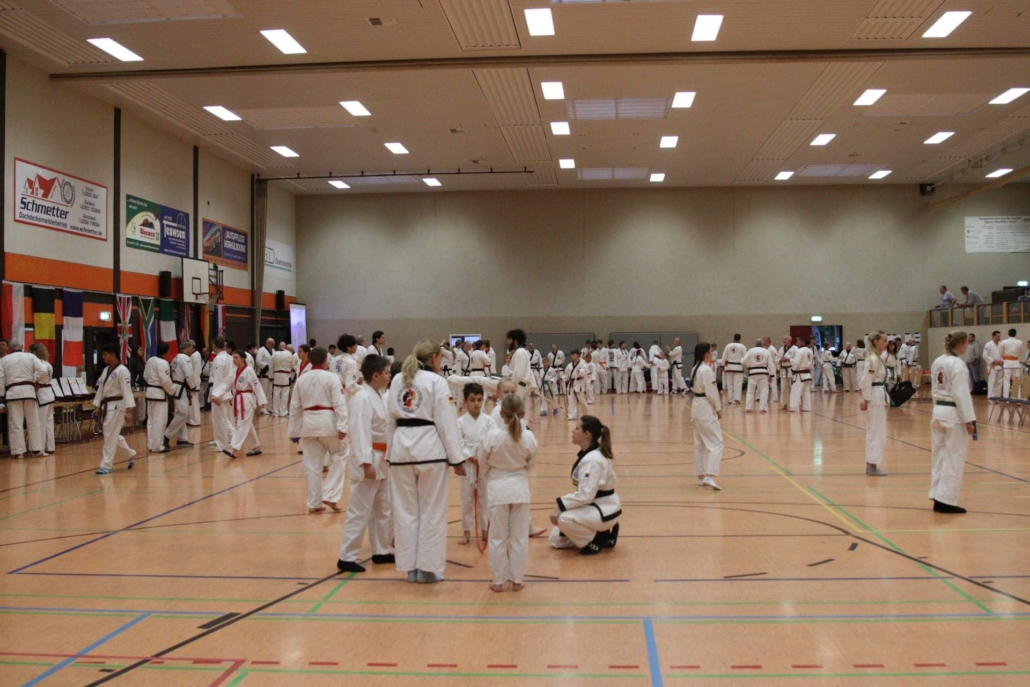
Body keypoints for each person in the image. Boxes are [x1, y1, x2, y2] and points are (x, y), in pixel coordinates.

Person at [387, 340, 467, 583]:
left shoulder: (397, 380)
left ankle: (410, 568)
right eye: (440, 357)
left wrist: (390, 454)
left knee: (405, 512)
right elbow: (447, 423)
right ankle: (428, 569)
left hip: (401, 451)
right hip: (430, 452)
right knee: (432, 511)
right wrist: (457, 459)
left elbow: (390, 420)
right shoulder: (436, 382)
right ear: (433, 357)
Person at [337, 354, 396, 572]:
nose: (389, 376)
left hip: (382, 459)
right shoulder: (362, 398)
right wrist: (366, 462)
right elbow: (359, 432)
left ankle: (380, 550)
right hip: (369, 460)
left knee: (382, 509)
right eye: (387, 373)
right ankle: (346, 556)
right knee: (360, 510)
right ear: (376, 375)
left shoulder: (378, 396)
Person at [475, 393, 537, 591]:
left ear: (501, 414)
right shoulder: (528, 437)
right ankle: (517, 580)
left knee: (498, 538)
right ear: (523, 414)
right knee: (519, 537)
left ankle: (498, 581)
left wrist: (491, 475)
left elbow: (482, 463)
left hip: (498, 489)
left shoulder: (492, 437)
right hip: (519, 488)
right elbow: (530, 464)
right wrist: (518, 472)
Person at [549, 415, 620, 555]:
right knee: (556, 539)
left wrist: (560, 506)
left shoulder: (592, 460)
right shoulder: (589, 454)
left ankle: (599, 538)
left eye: (576, 429)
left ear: (586, 434)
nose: (572, 431)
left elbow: (586, 495)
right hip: (593, 505)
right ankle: (598, 533)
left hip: (603, 509)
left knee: (563, 519)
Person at [289, 347, 348, 514]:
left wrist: (294, 431)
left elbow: (294, 407)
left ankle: (314, 503)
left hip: (309, 424)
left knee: (312, 466)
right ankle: (331, 494)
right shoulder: (332, 377)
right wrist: (343, 425)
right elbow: (339, 403)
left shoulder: (302, 379)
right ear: (325, 361)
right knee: (341, 454)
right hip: (328, 422)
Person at [929, 331, 976, 513]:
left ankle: (937, 494)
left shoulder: (937, 361)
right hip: (954, 413)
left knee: (939, 456)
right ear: (962, 344)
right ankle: (946, 500)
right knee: (954, 457)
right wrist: (969, 420)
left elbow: (935, 389)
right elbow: (961, 394)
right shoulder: (957, 364)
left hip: (939, 410)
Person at [456, 382, 495, 546]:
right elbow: (459, 443)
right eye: (472, 400)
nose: (476, 403)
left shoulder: (489, 421)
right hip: (468, 464)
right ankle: (466, 531)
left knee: (484, 498)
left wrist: (483, 457)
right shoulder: (460, 422)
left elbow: (493, 440)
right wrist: (470, 456)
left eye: (479, 399)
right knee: (467, 499)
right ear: (465, 401)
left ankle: (485, 529)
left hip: (484, 464)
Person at [92, 343, 137, 474]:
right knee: (111, 434)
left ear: (113, 355)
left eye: (105, 354)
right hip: (107, 405)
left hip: (118, 405)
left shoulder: (123, 370)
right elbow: (101, 389)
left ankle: (106, 465)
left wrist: (128, 410)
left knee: (110, 434)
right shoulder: (106, 370)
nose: (103, 357)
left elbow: (127, 390)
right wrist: (97, 406)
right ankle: (130, 454)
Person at [689, 343, 724, 489]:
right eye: (710, 351)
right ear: (705, 354)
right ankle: (709, 476)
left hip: (696, 406)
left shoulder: (695, 369)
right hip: (705, 406)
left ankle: (701, 475)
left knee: (700, 444)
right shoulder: (706, 370)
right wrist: (718, 408)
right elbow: (711, 392)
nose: (712, 354)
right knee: (716, 443)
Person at [223, 349, 267, 458]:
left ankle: (233, 448)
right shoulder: (234, 371)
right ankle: (255, 447)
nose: (234, 360)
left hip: (247, 399)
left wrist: (261, 400)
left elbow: (256, 385)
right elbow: (227, 384)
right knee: (248, 424)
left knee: (241, 424)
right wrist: (217, 394)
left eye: (236, 357)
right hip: (238, 398)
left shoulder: (249, 370)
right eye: (233, 357)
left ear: (243, 359)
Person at [860, 332, 890, 477]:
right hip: (875, 397)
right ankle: (872, 466)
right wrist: (866, 399)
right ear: (876, 342)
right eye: (884, 340)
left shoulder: (878, 358)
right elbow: (866, 381)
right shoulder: (872, 360)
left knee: (878, 432)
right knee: (876, 432)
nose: (887, 343)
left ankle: (872, 464)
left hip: (879, 395)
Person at [143, 342, 176, 454]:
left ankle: (151, 444)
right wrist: (173, 390)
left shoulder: (150, 360)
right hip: (159, 394)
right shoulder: (163, 363)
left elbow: (145, 376)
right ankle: (157, 446)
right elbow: (165, 380)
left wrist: (152, 383)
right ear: (166, 352)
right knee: (160, 420)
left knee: (151, 420)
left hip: (150, 392)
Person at [164, 340, 195, 451]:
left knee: (180, 413)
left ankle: (182, 438)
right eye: (192, 347)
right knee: (183, 413)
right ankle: (166, 435)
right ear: (188, 347)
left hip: (176, 387)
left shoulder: (175, 358)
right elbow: (189, 374)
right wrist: (193, 386)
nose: (192, 350)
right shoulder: (185, 358)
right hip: (181, 388)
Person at [208, 338, 234, 453]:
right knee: (225, 419)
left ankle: (222, 445)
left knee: (219, 419)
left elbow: (218, 378)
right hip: (227, 391)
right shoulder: (229, 357)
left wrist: (216, 395)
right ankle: (232, 439)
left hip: (219, 393)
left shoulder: (219, 359)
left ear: (214, 345)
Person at [30, 344, 56, 455]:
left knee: (41, 422)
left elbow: (42, 373)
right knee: (49, 422)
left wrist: (36, 381)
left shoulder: (39, 364)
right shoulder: (48, 363)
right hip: (49, 393)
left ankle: (40, 448)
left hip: (42, 393)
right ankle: (50, 446)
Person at [742, 340, 770, 413]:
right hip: (763, 372)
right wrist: (772, 375)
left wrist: (742, 360)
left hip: (753, 372)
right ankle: (763, 408)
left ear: (755, 344)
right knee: (764, 390)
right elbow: (770, 364)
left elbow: (743, 362)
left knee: (750, 391)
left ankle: (748, 407)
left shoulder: (751, 350)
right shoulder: (766, 351)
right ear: (762, 344)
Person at [790, 336, 814, 413]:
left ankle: (794, 407)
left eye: (798, 341)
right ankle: (807, 407)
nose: (796, 343)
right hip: (807, 374)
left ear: (802, 342)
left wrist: (793, 369)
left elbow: (796, 363)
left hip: (800, 374)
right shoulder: (809, 351)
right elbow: (811, 362)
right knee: (806, 392)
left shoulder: (799, 351)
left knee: (796, 391)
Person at [998, 328, 1025, 398]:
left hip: (1007, 363)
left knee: (1006, 382)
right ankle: (1018, 398)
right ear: (1015, 334)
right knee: (1016, 381)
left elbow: (1000, 353)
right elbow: (1020, 353)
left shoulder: (1003, 342)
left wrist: (1003, 359)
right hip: (1016, 363)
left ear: (1008, 333)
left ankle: (1006, 398)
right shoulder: (1019, 342)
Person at [722, 335, 747, 405]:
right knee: (738, 383)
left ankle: (730, 399)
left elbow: (724, 356)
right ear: (740, 339)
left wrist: (722, 365)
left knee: (729, 383)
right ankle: (737, 399)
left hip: (729, 367)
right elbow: (745, 356)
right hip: (738, 367)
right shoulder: (742, 346)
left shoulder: (728, 345)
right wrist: (746, 365)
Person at [269, 345, 293, 417]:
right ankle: (283, 412)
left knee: (276, 394)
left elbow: (271, 366)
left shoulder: (274, 354)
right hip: (286, 375)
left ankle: (275, 412)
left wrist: (271, 377)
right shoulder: (289, 354)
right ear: (285, 347)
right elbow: (292, 365)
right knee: (285, 394)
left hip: (276, 375)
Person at [565, 350, 589, 419]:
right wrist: (562, 378)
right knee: (571, 399)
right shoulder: (569, 365)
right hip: (571, 383)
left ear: (577, 355)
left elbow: (585, 373)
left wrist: (580, 371)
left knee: (581, 400)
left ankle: (585, 414)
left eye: (573, 355)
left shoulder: (583, 363)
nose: (571, 356)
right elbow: (567, 375)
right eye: (571, 355)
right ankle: (572, 415)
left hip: (579, 383)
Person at [256, 338, 275, 414]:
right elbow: (258, 361)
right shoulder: (261, 350)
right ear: (267, 343)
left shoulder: (274, 351)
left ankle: (269, 407)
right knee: (264, 391)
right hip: (263, 374)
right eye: (271, 344)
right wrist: (267, 367)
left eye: (273, 344)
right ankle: (263, 408)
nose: (272, 345)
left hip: (271, 374)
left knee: (270, 392)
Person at [983, 330, 1003, 402]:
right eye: (997, 336)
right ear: (993, 336)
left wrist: (1001, 361)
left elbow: (1003, 354)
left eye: (999, 336)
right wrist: (992, 361)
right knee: (992, 382)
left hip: (1000, 365)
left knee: (999, 382)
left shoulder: (1001, 344)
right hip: (992, 366)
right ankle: (991, 398)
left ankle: (997, 397)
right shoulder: (988, 344)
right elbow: (984, 355)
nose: (999, 337)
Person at [778, 335, 796, 408]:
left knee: (793, 388)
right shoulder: (781, 349)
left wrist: (789, 359)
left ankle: (794, 404)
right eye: (783, 339)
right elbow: (777, 358)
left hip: (791, 370)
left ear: (790, 340)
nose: (784, 341)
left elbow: (797, 359)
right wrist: (780, 360)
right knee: (783, 388)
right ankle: (784, 404)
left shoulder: (795, 349)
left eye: (785, 339)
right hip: (783, 371)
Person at [188, 341, 203, 426]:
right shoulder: (194, 355)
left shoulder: (195, 355)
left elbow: (196, 371)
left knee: (194, 402)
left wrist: (192, 384)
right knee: (193, 402)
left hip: (194, 382)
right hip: (194, 382)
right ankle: (193, 419)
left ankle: (195, 420)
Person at [764, 337, 779, 404]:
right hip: (766, 367)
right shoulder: (766, 349)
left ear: (768, 341)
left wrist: (777, 368)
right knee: (766, 384)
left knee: (773, 383)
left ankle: (774, 398)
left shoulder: (772, 349)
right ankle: (766, 397)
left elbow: (776, 360)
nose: (763, 343)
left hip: (772, 367)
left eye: (764, 341)